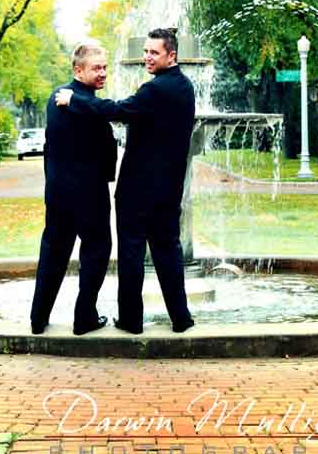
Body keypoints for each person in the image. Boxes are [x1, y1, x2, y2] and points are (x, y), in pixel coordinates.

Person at [56, 28, 195, 334]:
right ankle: (181, 318)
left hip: (137, 189)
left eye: (154, 53)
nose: (147, 57)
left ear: (171, 55)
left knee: (131, 252)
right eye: (146, 51)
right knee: (167, 251)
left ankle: (132, 320)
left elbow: (117, 110)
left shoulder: (155, 90)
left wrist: (75, 100)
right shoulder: (185, 87)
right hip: (170, 189)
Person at [30, 43, 117, 335]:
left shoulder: (56, 97)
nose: (103, 73)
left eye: (105, 67)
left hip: (57, 192)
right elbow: (105, 147)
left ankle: (38, 318)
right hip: (88, 193)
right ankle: (84, 318)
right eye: (96, 68)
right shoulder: (84, 104)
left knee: (53, 253)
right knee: (98, 249)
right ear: (78, 70)